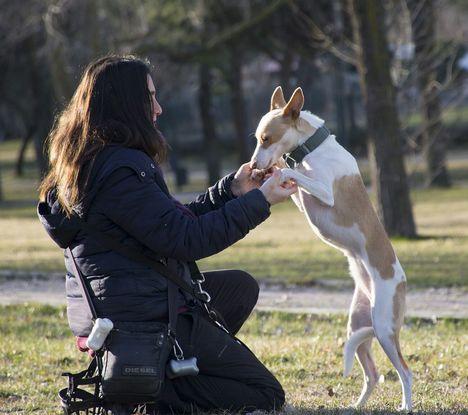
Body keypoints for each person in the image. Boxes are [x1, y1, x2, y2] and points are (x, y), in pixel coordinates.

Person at [37, 55, 297, 413]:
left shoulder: (98, 163)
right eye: (150, 98)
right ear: (126, 105)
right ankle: (154, 394)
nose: (158, 108)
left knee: (239, 288)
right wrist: (262, 201)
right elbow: (187, 239)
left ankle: (167, 374)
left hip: (132, 303)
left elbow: (171, 221)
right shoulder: (119, 173)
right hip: (145, 317)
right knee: (265, 394)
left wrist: (233, 190)